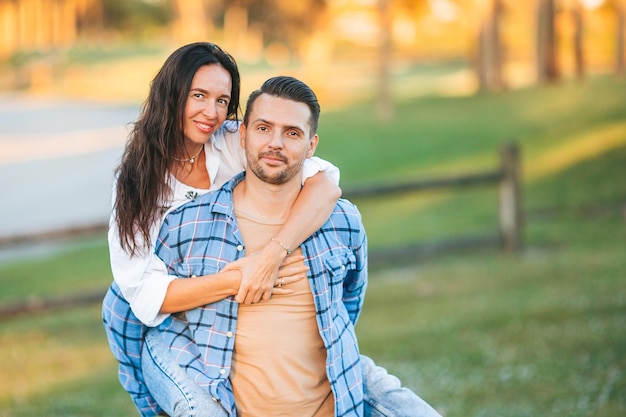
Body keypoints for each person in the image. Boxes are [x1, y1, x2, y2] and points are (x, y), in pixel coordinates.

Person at [102, 43, 440, 417]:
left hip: (268, 313)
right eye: (199, 95)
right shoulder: (137, 183)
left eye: (221, 100)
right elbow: (142, 294)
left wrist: (272, 256)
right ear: (172, 94)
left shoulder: (233, 140)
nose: (211, 113)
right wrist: (239, 278)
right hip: (179, 323)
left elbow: (325, 182)